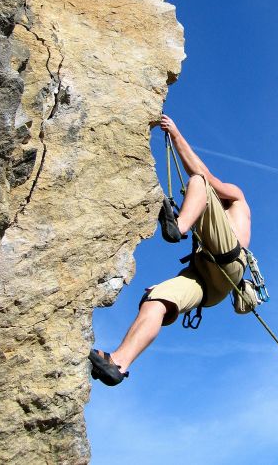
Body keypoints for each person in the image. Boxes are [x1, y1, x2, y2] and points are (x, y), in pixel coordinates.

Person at [89, 114, 251, 386]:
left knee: (199, 181)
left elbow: (206, 177)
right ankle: (119, 362)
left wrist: (175, 134)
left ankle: (180, 225)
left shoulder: (236, 198)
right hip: (207, 283)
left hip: (228, 261)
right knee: (156, 300)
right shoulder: (211, 222)